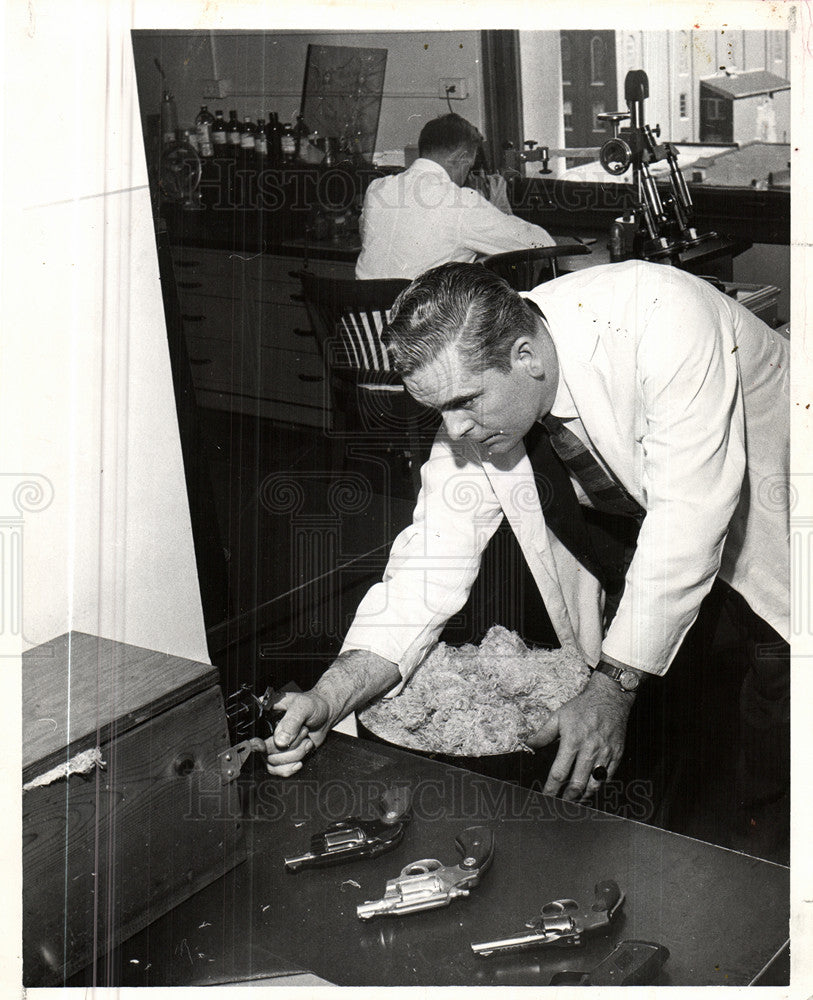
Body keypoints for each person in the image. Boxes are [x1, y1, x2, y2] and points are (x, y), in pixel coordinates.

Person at [267, 260, 789, 856]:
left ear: (526, 357)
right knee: (674, 717)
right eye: (439, 409)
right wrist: (332, 694)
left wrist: (615, 684)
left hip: (779, 518)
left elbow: (689, 519)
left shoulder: (662, 317)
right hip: (655, 540)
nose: (455, 430)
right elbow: (430, 561)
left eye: (465, 402)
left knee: (778, 726)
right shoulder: (487, 390)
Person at [354, 113, 556, 280]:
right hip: (422, 328)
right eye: (469, 167)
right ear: (462, 158)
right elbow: (543, 245)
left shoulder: (378, 189)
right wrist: (499, 209)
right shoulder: (461, 202)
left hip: (365, 325)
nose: (468, 175)